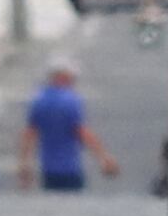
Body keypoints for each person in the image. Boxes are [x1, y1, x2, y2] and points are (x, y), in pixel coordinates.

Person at [28, 55, 116, 191]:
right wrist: (103, 157)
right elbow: (82, 132)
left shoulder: (39, 100)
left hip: (48, 170)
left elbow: (30, 133)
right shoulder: (71, 101)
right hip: (70, 169)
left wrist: (24, 163)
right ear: (62, 76)